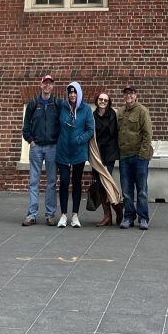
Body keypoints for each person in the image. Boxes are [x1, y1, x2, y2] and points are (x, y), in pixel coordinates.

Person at [21, 73, 60, 226]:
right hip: (36, 147)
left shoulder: (57, 103)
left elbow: (62, 123)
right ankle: (32, 214)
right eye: (45, 83)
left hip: (52, 147)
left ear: (53, 86)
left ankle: (50, 215)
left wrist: (57, 142)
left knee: (51, 182)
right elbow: (26, 126)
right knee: (34, 182)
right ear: (41, 84)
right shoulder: (33, 103)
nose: (47, 86)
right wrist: (30, 141)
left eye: (50, 83)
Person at [55, 80, 94, 228]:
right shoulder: (62, 106)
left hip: (78, 152)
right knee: (64, 181)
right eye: (70, 92)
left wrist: (79, 140)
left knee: (77, 182)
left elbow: (90, 130)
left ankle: (75, 216)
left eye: (75, 92)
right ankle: (63, 215)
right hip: (63, 150)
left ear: (79, 93)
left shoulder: (86, 109)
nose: (72, 95)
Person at [117, 84, 153, 230]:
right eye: (126, 94)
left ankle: (143, 218)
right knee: (126, 190)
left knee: (142, 190)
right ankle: (128, 217)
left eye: (131, 93)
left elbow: (147, 134)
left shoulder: (142, 111)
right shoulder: (120, 112)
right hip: (124, 156)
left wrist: (143, 154)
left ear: (136, 95)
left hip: (139, 156)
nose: (128, 96)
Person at [91, 91, 123, 226]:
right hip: (97, 155)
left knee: (106, 183)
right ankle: (107, 215)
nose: (103, 102)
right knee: (100, 185)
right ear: (97, 101)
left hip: (109, 154)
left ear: (108, 102)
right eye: (100, 99)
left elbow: (116, 135)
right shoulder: (92, 116)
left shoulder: (113, 115)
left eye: (105, 100)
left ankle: (118, 209)